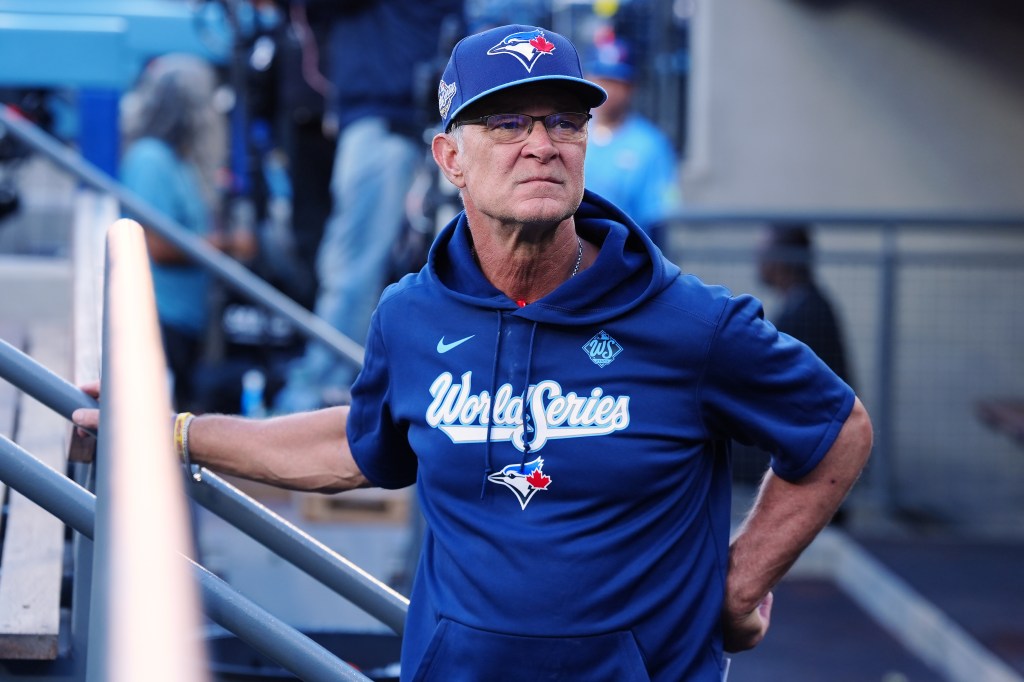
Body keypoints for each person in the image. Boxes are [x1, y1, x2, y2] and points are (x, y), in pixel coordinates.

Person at [78, 24, 873, 681]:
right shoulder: (411, 314)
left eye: (563, 121)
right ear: (449, 157)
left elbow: (837, 428)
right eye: (508, 123)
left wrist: (741, 581)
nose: (542, 145)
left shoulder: (689, 322)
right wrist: (174, 430)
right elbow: (356, 445)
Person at [271, 0, 465, 414]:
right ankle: (348, 384)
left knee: (351, 265)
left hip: (387, 124)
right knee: (360, 264)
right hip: (390, 122)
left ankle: (315, 392)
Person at [119, 54, 255, 413]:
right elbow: (158, 246)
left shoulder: (179, 161)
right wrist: (230, 245)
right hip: (161, 317)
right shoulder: (150, 158)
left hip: (187, 318)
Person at [583, 34, 681, 247]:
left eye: (616, 82)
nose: (608, 89)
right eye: (602, 79)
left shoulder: (650, 144)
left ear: (631, 87)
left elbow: (657, 218)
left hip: (627, 258)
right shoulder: (568, 133)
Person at [758, 222, 853, 386]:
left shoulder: (803, 313)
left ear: (782, 259)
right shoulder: (809, 302)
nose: (758, 260)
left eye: (763, 253)